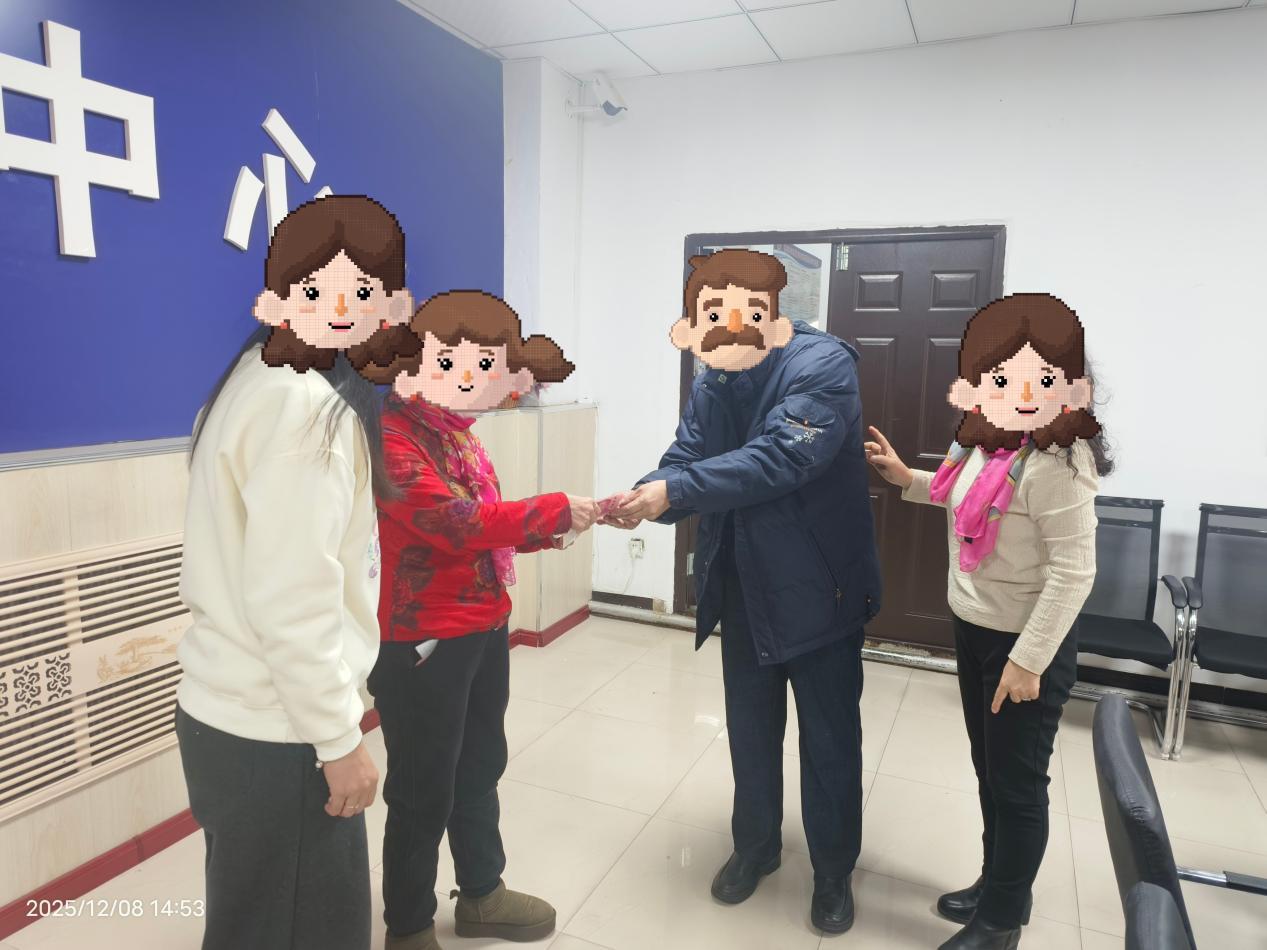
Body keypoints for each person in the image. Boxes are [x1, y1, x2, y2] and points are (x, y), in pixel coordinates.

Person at [610, 249, 882, 935]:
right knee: (751, 731)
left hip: (820, 590)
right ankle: (755, 846)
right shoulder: (715, 375)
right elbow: (687, 454)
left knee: (828, 742)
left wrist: (677, 489)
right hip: (742, 586)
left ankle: (832, 872)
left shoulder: (822, 366)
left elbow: (782, 456)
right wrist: (646, 494)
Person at [176, 195, 420, 950]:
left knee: (252, 918)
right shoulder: (304, 409)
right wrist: (338, 742)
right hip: (279, 733)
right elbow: (293, 603)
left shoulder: (252, 380)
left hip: (232, 716)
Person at [866, 293, 1109, 950]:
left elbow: (1074, 573)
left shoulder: (1061, 461)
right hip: (976, 627)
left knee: (1018, 785)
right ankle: (996, 884)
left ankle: (1000, 923)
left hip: (1024, 646)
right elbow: (961, 497)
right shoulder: (986, 436)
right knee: (989, 770)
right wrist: (906, 478)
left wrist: (1027, 662)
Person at [371, 290, 601, 950]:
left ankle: (481, 893)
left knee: (478, 765)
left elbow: (484, 531)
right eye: (452, 362)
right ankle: (408, 926)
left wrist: (553, 530)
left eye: (485, 366)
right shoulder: (391, 437)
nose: (470, 379)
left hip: (482, 623)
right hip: (421, 639)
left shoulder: (458, 435)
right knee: (422, 788)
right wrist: (551, 509)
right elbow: (454, 523)